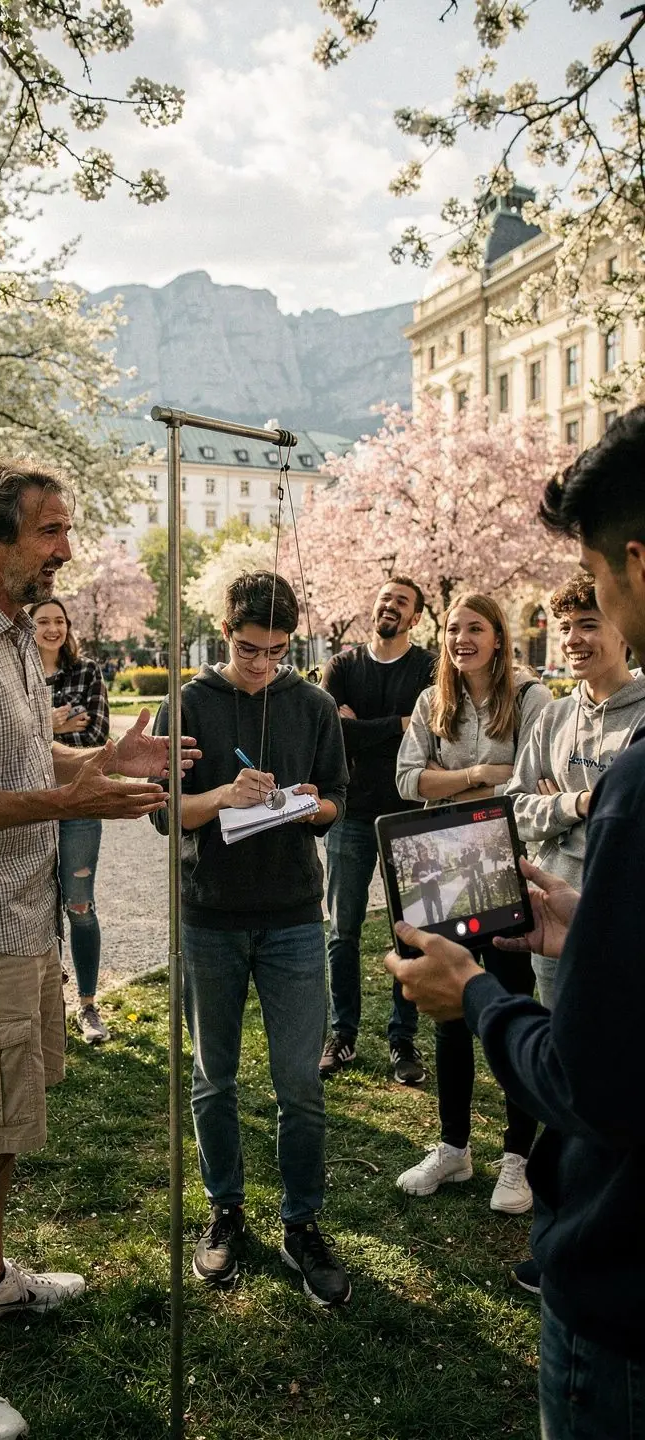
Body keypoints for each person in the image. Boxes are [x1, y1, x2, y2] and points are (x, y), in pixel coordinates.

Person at [0, 456, 197, 1440]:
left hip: (24, 924)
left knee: (7, 1124)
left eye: (67, 530)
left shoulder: (17, 632)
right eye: (50, 532)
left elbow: (18, 755)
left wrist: (101, 758)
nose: (68, 549)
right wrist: (68, 797)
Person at [384, 406, 645, 1440]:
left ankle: (494, 1151)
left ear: (632, 560)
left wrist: (477, 995)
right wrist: (589, 927)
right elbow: (483, 787)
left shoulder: (635, 780)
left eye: (597, 584)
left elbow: (594, 1082)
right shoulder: (543, 724)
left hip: (622, 1291)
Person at [153, 570, 351, 1307]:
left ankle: (302, 1223)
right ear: (223, 629)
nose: (262, 664)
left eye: (276, 651)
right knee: (215, 1077)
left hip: (296, 915)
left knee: (300, 1083)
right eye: (247, 648)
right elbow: (166, 813)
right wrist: (221, 797)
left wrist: (308, 807)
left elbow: (338, 799)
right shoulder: (191, 704)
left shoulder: (315, 705)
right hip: (211, 918)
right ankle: (226, 1210)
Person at [394, 592, 550, 1213]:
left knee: (511, 1002)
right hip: (443, 872)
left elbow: (536, 780)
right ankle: (453, 1148)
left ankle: (518, 1156)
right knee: (452, 1011)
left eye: (475, 628)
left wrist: (462, 777)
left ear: (498, 636)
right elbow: (408, 780)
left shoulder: (532, 700)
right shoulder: (433, 703)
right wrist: (480, 775)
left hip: (505, 870)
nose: (462, 639)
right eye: (454, 629)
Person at [506, 571, 645, 1009]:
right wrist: (576, 803)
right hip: (553, 917)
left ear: (622, 628)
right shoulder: (554, 718)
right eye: (564, 626)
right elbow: (514, 808)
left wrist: (554, 805)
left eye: (587, 624)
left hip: (626, 918)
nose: (571, 639)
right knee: (560, 1050)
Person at [320, 578, 436, 1086]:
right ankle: (342, 1034)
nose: (390, 606)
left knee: (408, 932)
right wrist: (397, 724)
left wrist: (363, 725)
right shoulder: (343, 667)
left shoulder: (431, 668)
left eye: (402, 602)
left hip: (410, 815)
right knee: (341, 932)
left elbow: (432, 731)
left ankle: (402, 1040)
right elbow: (333, 730)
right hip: (350, 814)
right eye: (385, 597)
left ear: (415, 618)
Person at [30, 597, 111, 1045]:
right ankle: (48, 1012)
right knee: (37, 909)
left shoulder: (87, 672)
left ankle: (88, 1004)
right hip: (33, 803)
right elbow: (5, 735)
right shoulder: (16, 673)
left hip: (79, 804)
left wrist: (42, 729)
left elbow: (97, 734)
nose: (52, 628)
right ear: (30, 627)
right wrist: (52, 723)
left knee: (78, 904)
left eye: (59, 620)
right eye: (42, 620)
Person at [411, 843, 444, 924]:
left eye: (425, 850)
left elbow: (441, 875)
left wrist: (436, 876)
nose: (424, 852)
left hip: (435, 891)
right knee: (429, 916)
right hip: (425, 893)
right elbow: (413, 880)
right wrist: (421, 878)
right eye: (422, 851)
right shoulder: (416, 865)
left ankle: (442, 925)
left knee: (440, 912)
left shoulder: (433, 861)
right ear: (419, 853)